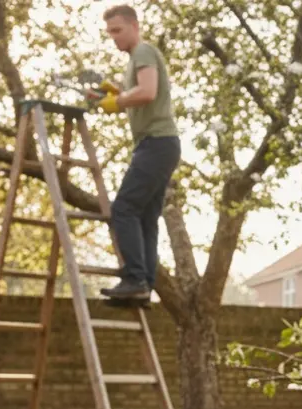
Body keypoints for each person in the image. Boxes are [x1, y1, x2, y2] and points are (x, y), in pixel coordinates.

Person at [87, 4, 181, 305]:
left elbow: (147, 92)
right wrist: (112, 93)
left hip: (156, 143)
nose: (113, 38)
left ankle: (135, 278)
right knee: (145, 217)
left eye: (118, 31)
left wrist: (117, 102)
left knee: (124, 208)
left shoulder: (143, 52)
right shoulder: (136, 60)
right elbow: (137, 93)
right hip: (159, 145)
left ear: (134, 26)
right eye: (109, 33)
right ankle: (143, 287)